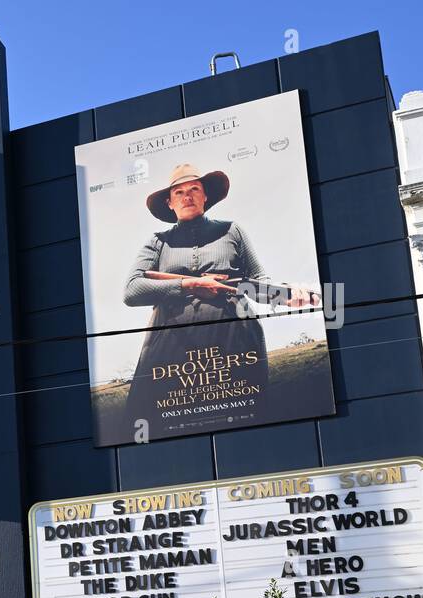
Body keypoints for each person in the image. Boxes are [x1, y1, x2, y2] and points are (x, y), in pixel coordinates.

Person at [118, 163, 313, 440]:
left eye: (194, 189)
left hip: (234, 338)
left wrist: (289, 295)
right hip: (170, 346)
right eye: (179, 192)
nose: (188, 196)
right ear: (169, 202)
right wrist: (191, 284)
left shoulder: (232, 231)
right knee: (163, 425)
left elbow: (256, 282)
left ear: (205, 195)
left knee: (247, 423)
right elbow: (131, 290)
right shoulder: (157, 242)